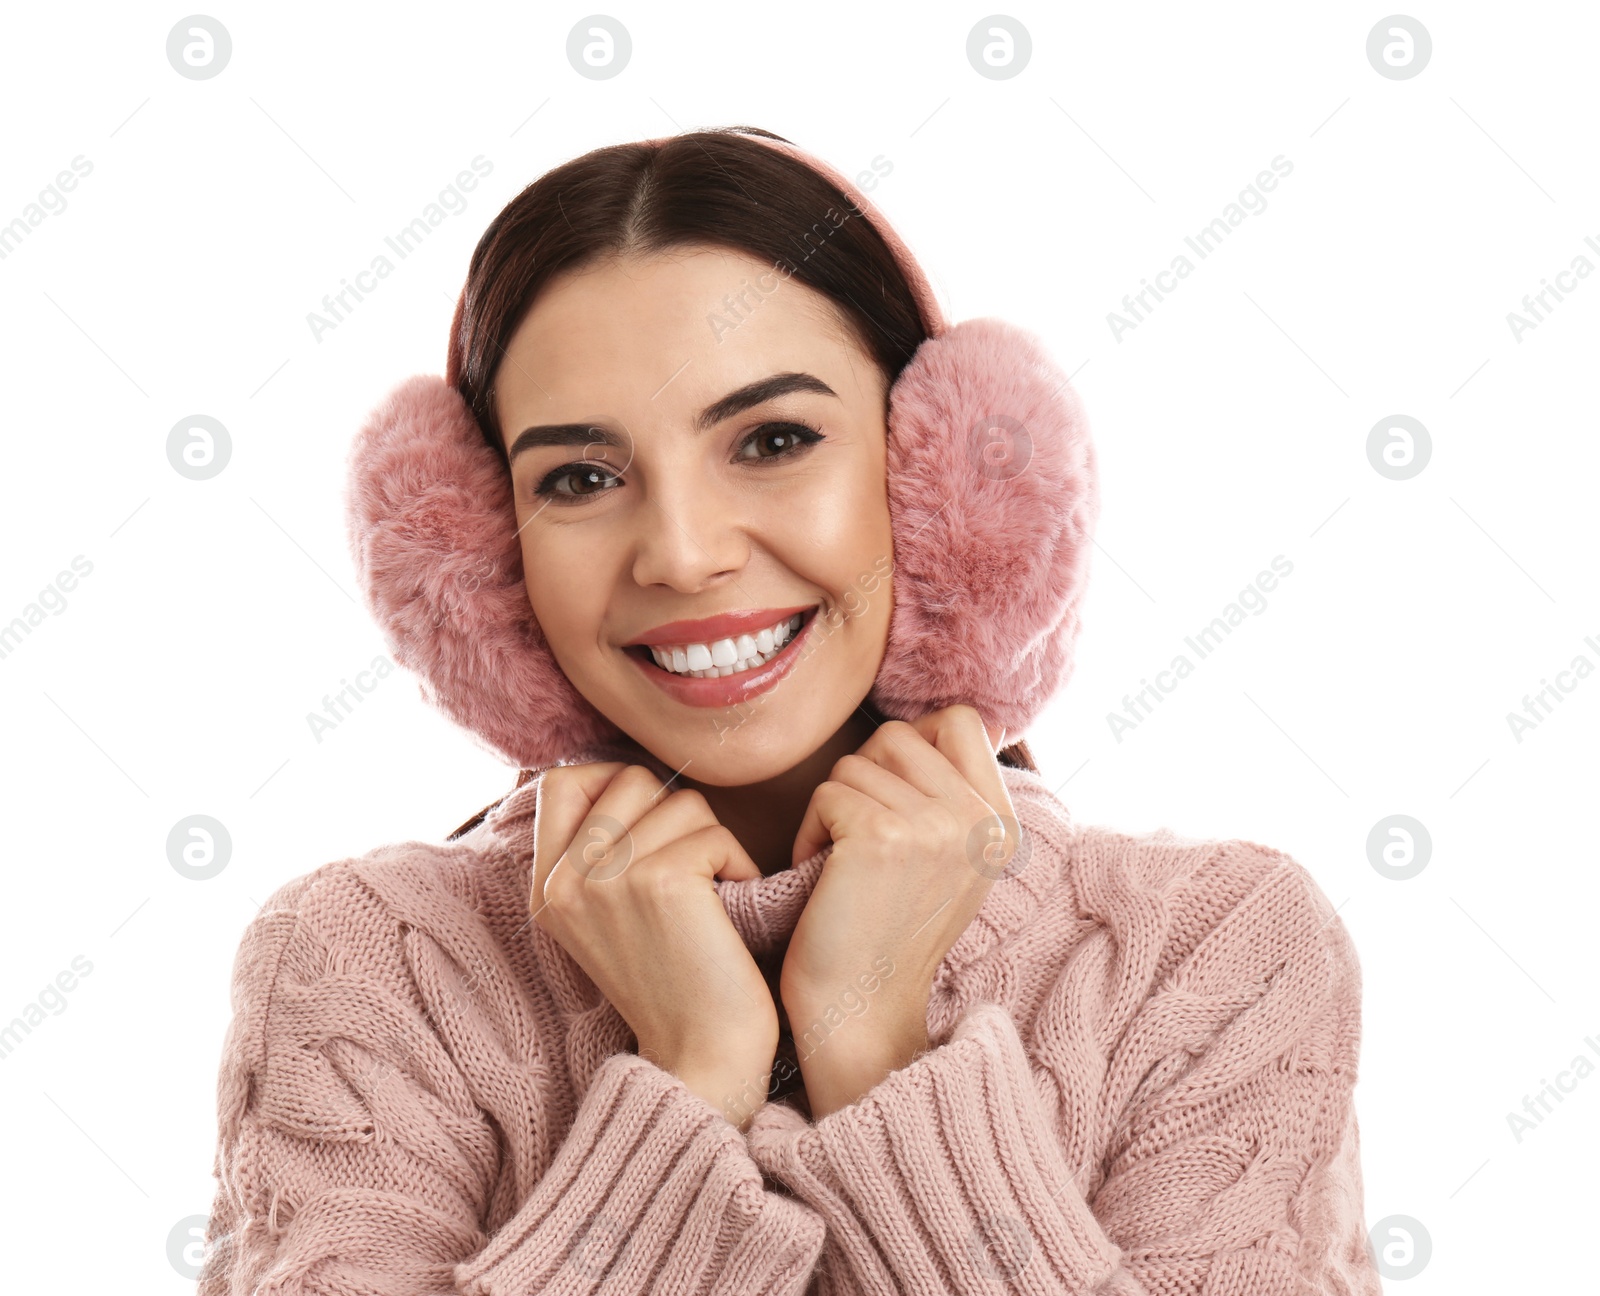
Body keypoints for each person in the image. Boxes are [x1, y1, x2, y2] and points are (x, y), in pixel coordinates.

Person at [198, 126, 1381, 1295]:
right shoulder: (362, 966)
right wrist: (692, 1075)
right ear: (483, 555)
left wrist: (869, 1048)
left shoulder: (1217, 952)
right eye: (580, 478)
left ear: (946, 480)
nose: (683, 553)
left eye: (772, 440)